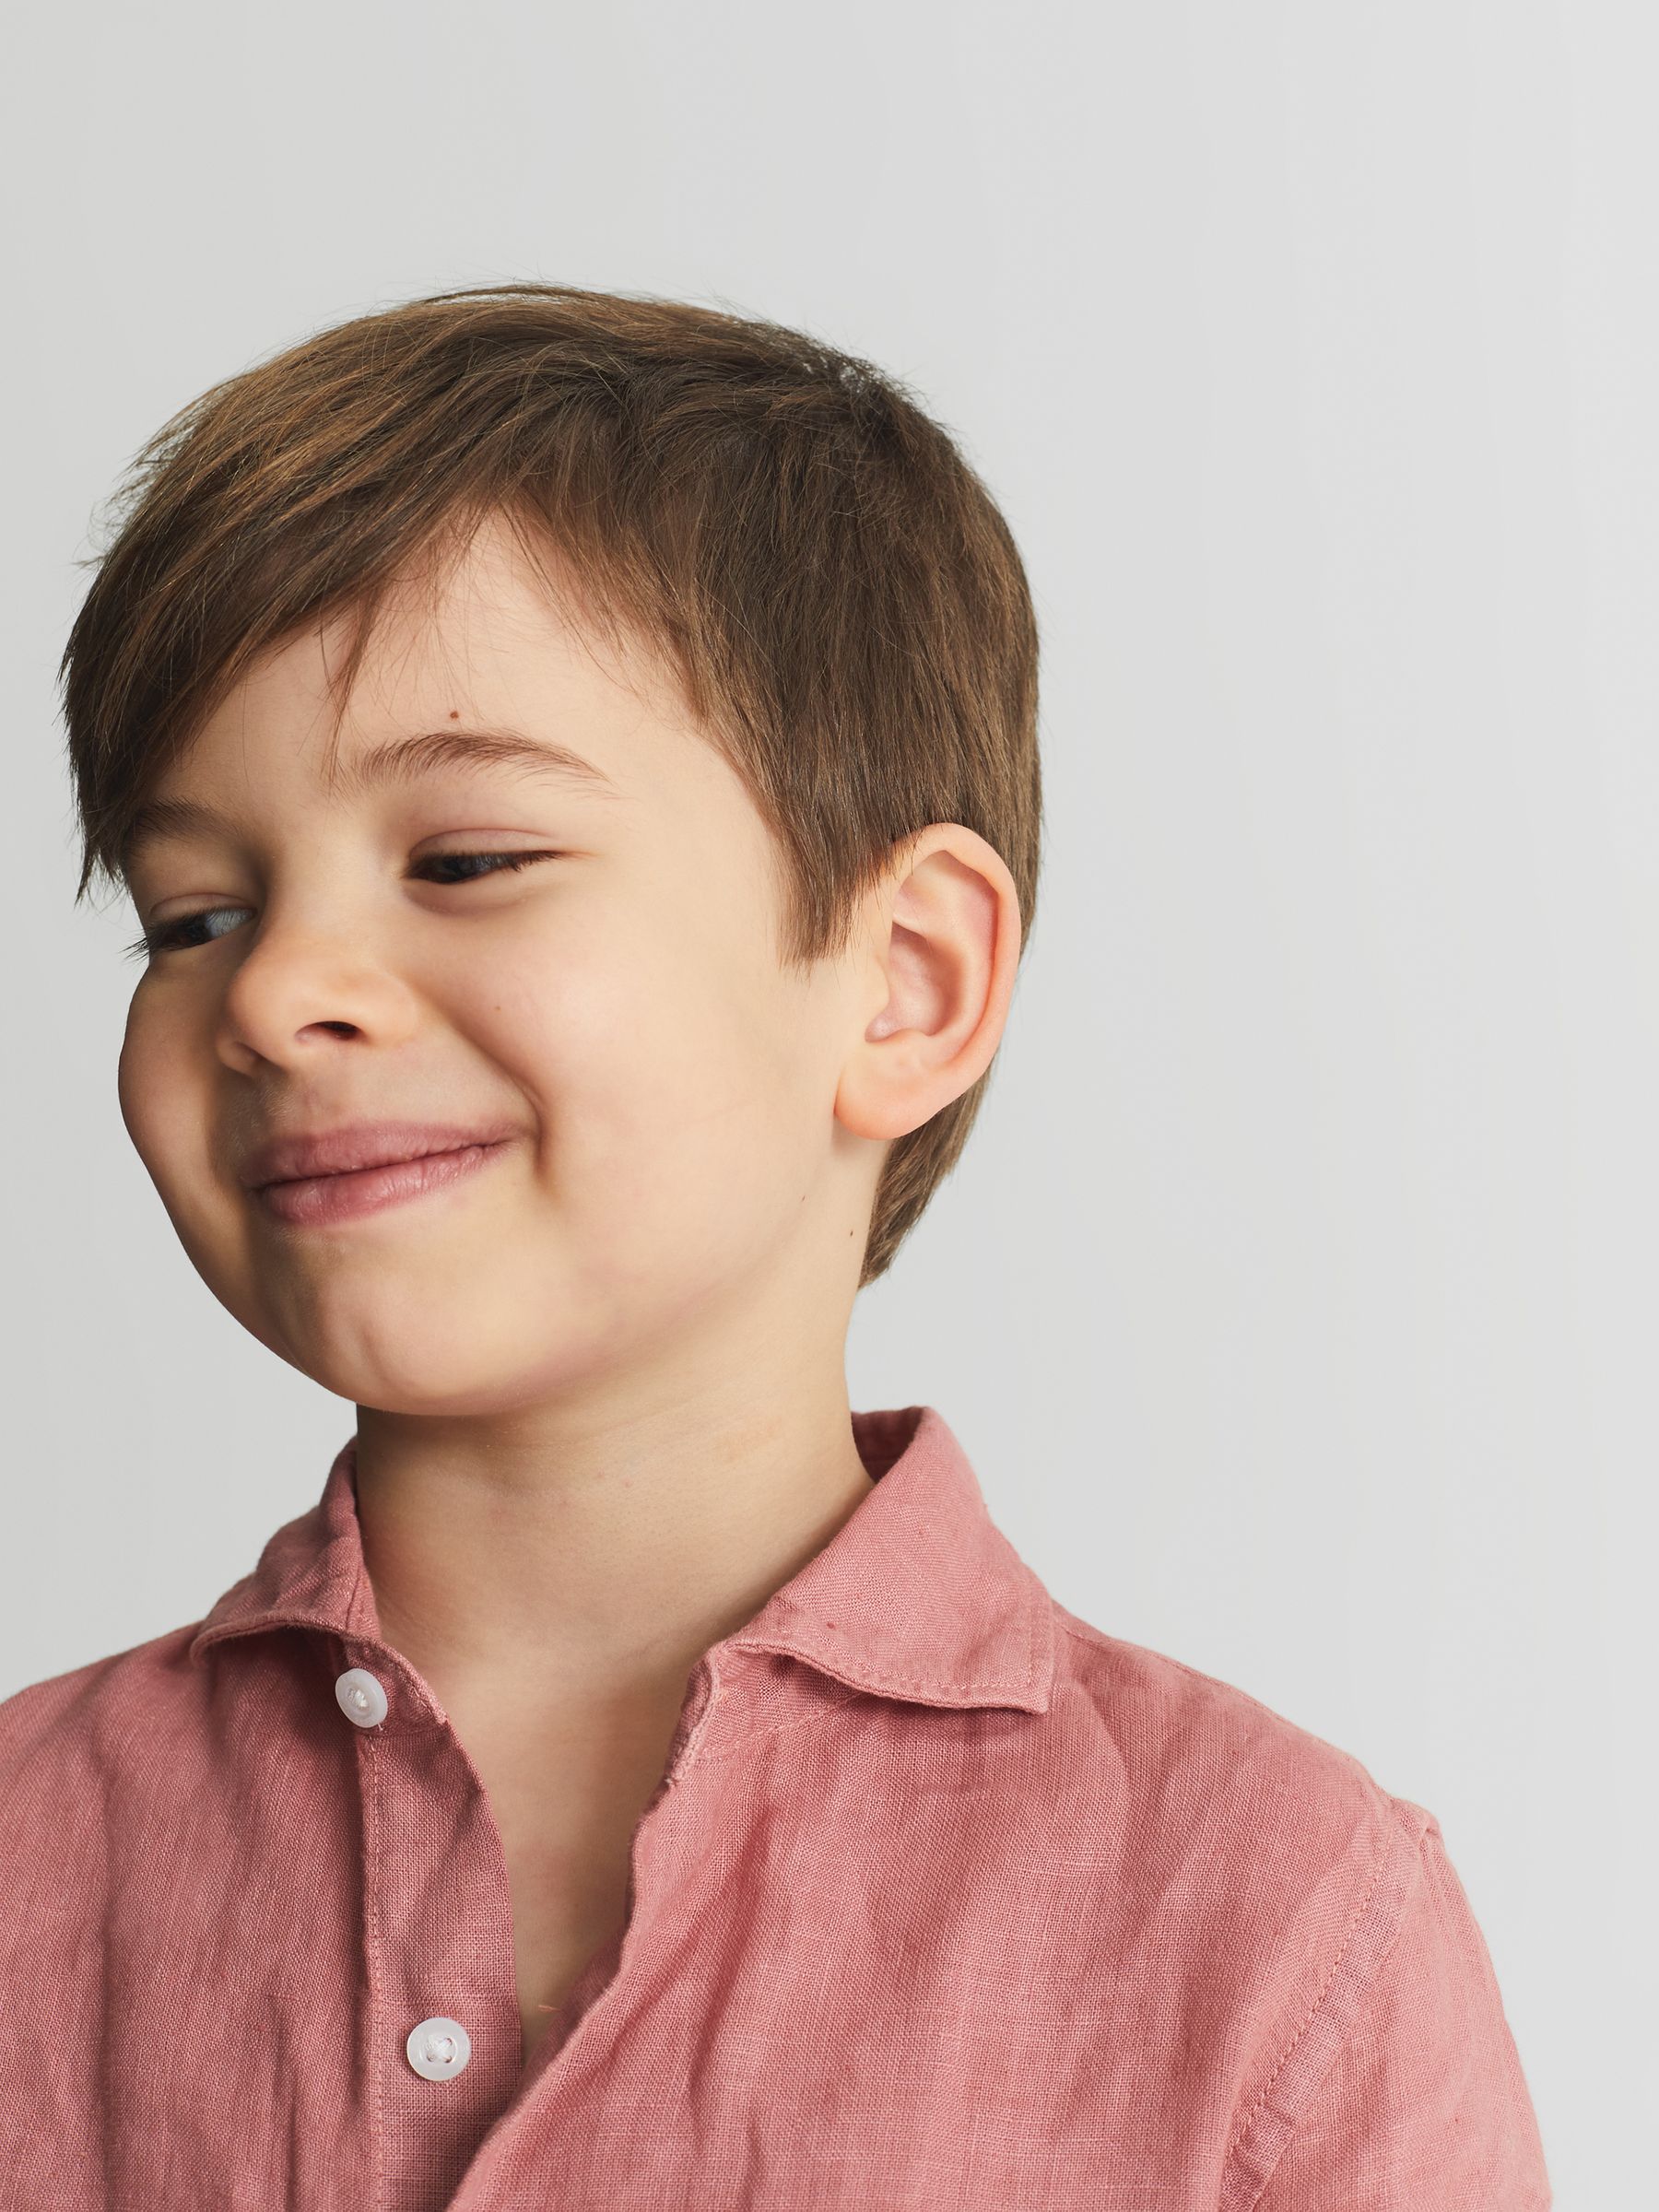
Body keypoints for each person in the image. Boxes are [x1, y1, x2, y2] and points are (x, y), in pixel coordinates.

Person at [0, 283, 1550, 2208]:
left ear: (904, 985)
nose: (279, 991)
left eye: (466, 860)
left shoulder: (1281, 1923)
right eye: (191, 917)